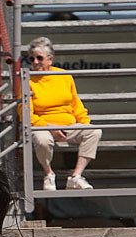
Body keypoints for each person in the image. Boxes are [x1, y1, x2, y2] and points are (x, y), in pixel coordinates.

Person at [27, 36, 102, 191]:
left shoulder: (63, 75)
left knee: (94, 131)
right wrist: (49, 127)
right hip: (43, 126)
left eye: (39, 58)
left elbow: (76, 103)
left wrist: (84, 122)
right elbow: (26, 113)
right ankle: (49, 174)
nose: (35, 62)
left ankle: (76, 177)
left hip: (68, 125)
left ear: (50, 59)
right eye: (31, 59)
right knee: (42, 140)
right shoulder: (27, 79)